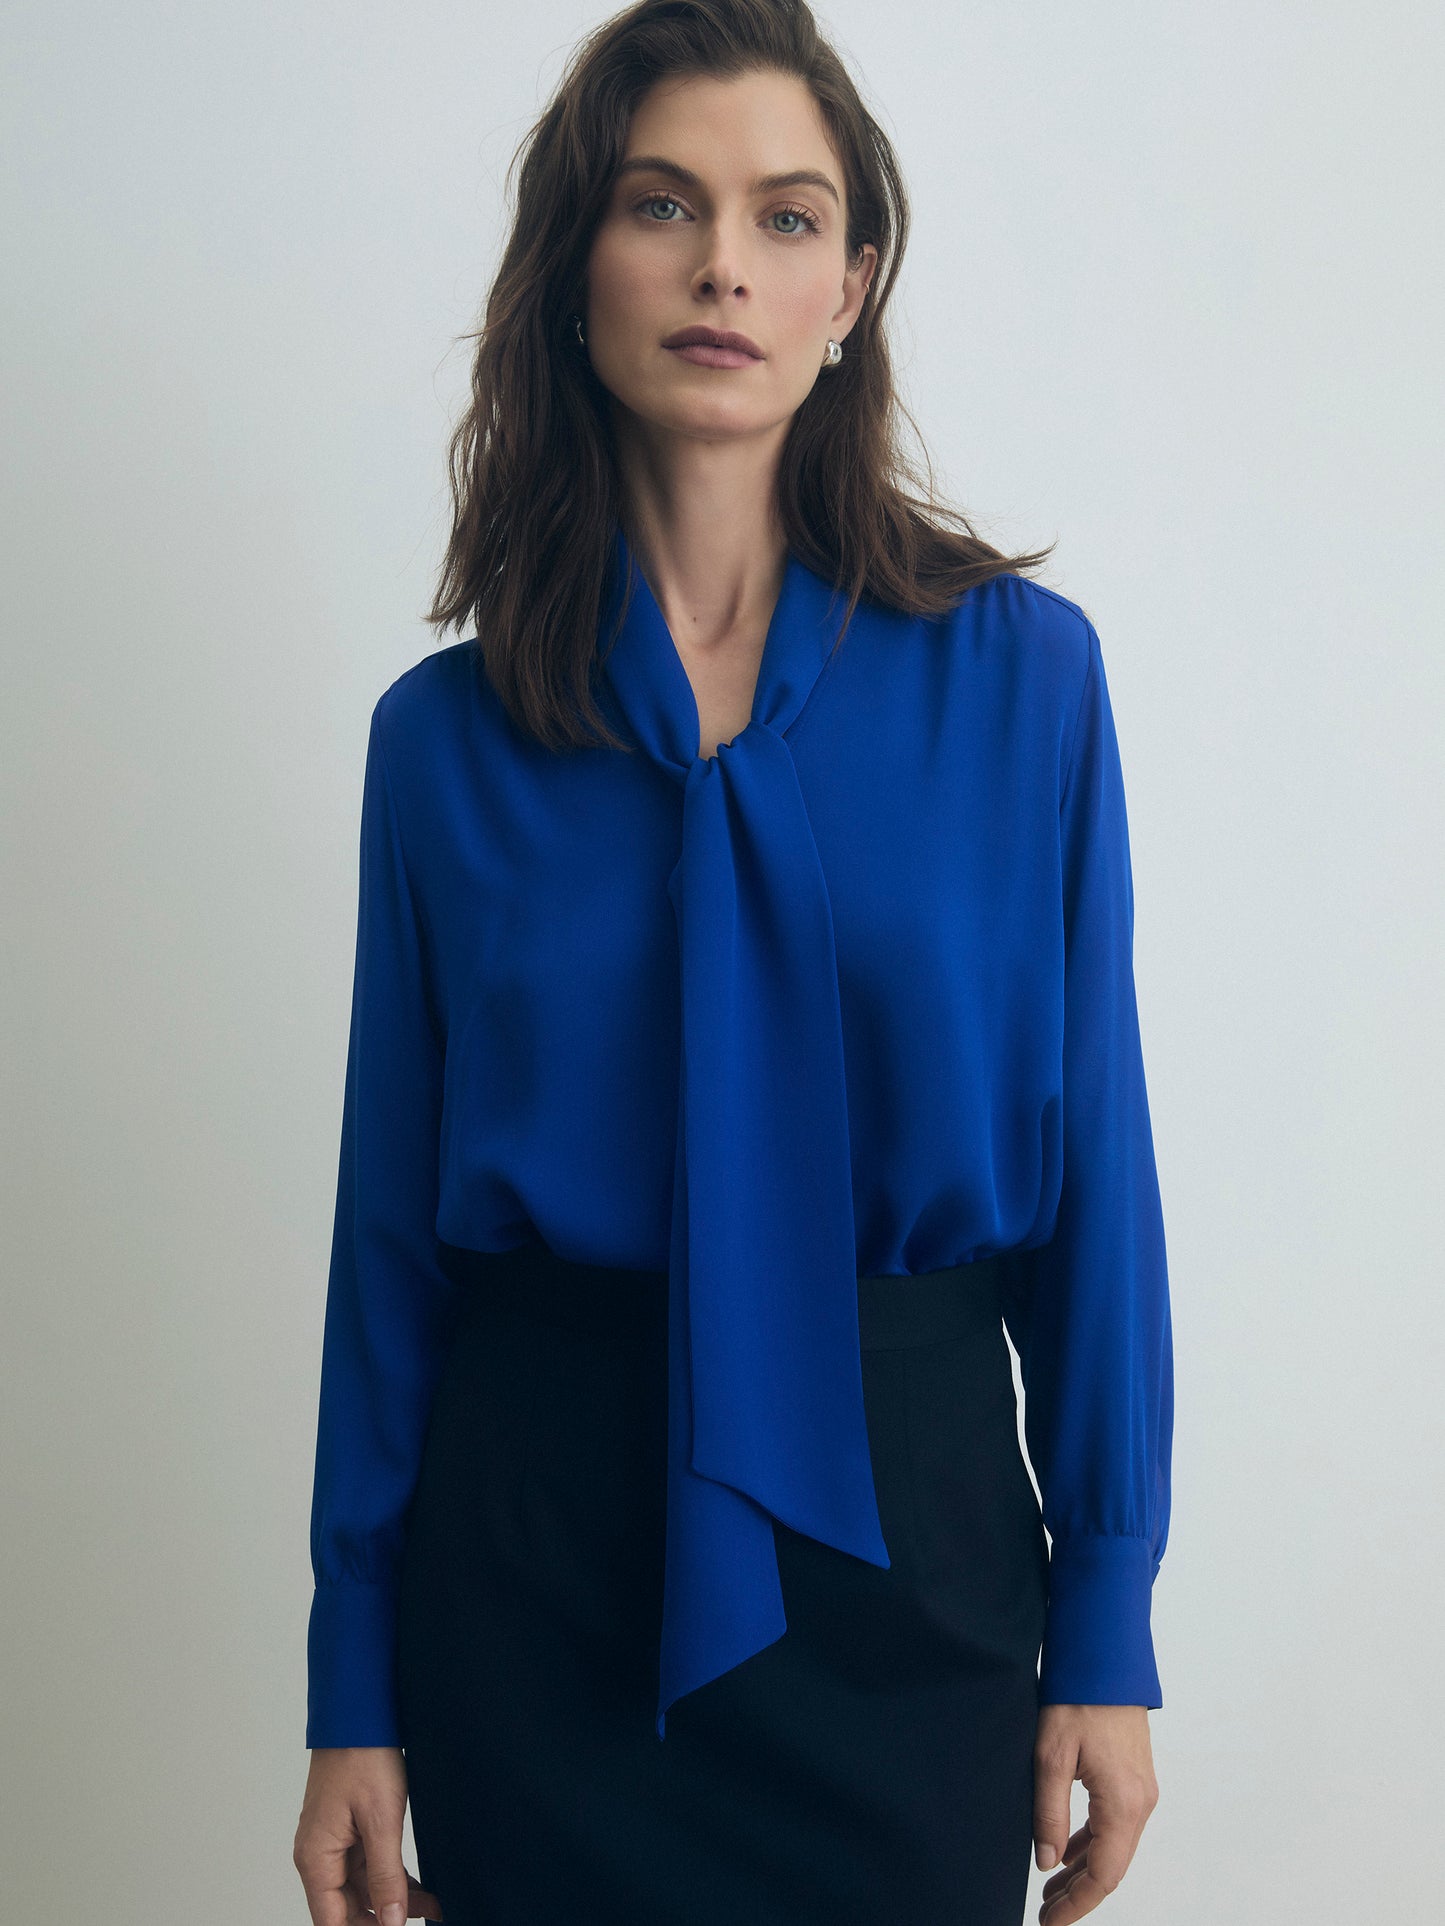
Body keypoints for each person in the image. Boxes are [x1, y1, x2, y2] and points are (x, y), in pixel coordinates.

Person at [291, 1, 1173, 1921]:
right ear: (575, 269)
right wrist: (349, 1672)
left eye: (787, 218)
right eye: (660, 204)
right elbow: (386, 1236)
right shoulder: (441, 745)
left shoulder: (1026, 687)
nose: (720, 265)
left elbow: (1097, 1173)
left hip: (918, 1565)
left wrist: (1107, 1608)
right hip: (536, 1577)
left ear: (853, 285)